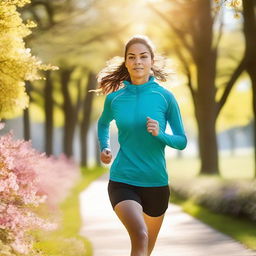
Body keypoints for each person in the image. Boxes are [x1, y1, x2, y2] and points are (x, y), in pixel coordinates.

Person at [96, 35, 187, 256]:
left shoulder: (165, 97)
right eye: (132, 57)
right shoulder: (114, 99)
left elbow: (182, 140)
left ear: (151, 61)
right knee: (140, 235)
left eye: (143, 57)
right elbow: (103, 123)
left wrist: (160, 135)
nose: (138, 61)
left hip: (156, 183)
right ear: (125, 62)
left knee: (145, 250)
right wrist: (105, 147)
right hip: (123, 180)